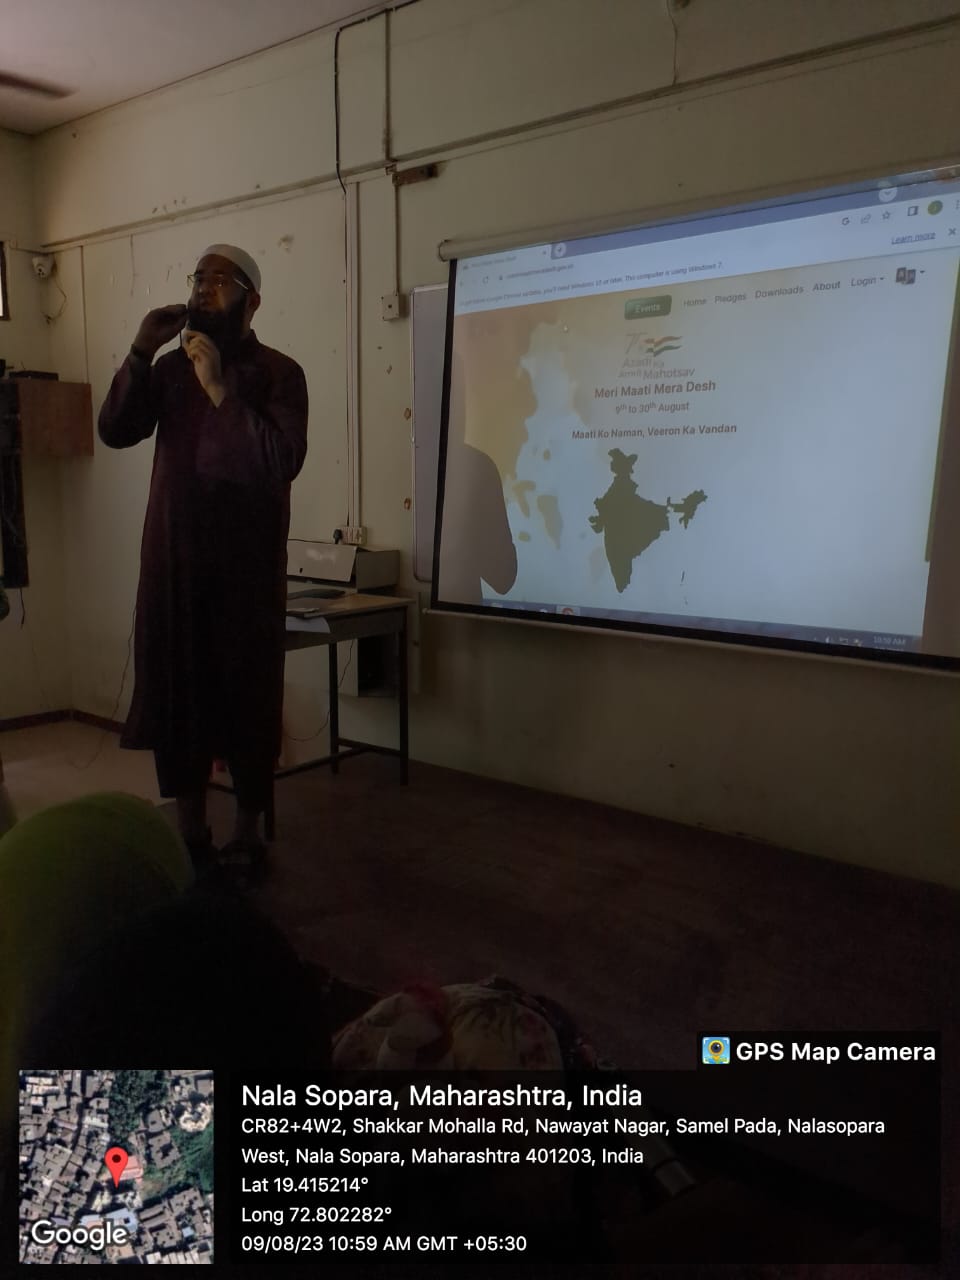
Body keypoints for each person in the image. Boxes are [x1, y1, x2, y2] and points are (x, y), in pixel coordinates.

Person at [98, 245, 308, 874]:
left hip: (245, 576)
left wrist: (219, 388)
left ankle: (247, 836)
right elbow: (115, 430)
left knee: (247, 701)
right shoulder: (168, 370)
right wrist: (141, 351)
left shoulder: (279, 373)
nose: (203, 289)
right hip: (174, 565)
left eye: (221, 280)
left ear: (253, 300)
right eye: (199, 278)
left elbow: (280, 460)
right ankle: (190, 835)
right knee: (177, 699)